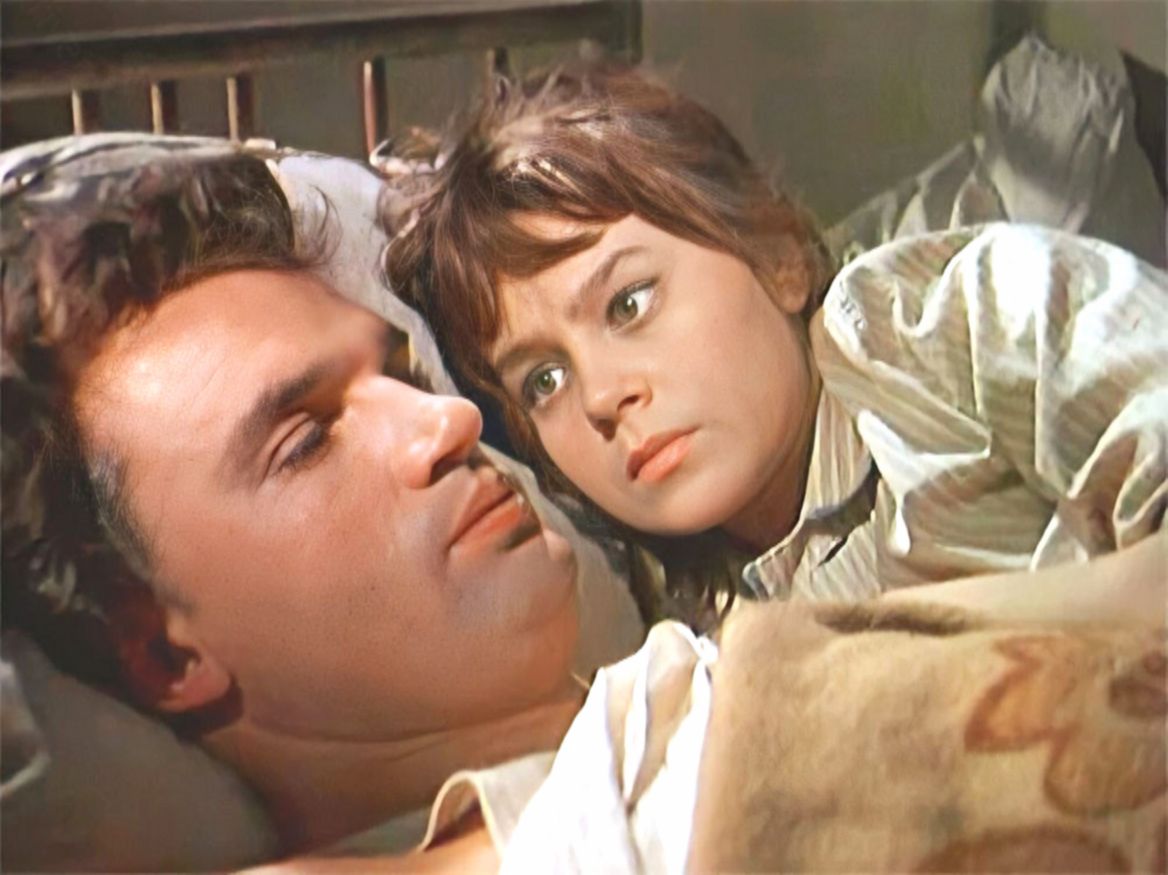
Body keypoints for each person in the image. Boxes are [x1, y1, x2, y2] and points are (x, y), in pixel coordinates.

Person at [386, 63, 1168, 626]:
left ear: (777, 255)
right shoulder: (677, 634)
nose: (599, 396)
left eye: (629, 303)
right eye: (544, 380)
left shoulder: (967, 322)